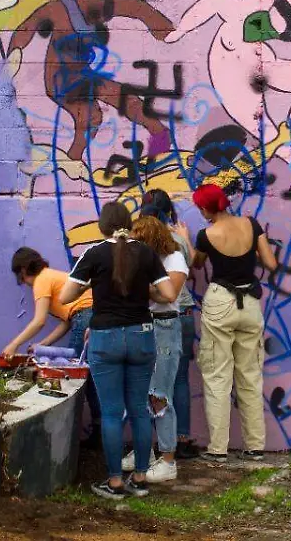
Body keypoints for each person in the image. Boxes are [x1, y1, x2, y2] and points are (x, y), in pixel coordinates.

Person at [61, 202, 177, 499]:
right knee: (140, 409)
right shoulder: (146, 253)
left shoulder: (94, 254)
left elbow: (65, 296)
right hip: (142, 336)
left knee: (112, 412)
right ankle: (139, 478)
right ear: (129, 222)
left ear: (103, 227)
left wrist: (94, 285)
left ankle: (114, 482)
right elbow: (168, 294)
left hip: (106, 338)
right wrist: (142, 290)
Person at [189, 183, 278, 463]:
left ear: (206, 208)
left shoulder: (206, 234)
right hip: (250, 302)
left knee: (217, 377)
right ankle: (255, 447)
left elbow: (198, 264)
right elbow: (271, 264)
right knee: (250, 376)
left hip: (220, 302)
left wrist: (185, 240)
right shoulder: (251, 224)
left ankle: (218, 449)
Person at [119, 216, 190, 483]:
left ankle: (168, 459)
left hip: (164, 327)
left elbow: (167, 295)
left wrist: (142, 287)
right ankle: (144, 452)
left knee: (159, 394)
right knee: (139, 393)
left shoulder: (174, 260)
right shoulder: (141, 260)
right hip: (142, 325)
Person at [140, 188, 202, 460]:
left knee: (152, 383)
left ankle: (157, 443)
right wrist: (188, 239)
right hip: (182, 312)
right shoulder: (176, 239)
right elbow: (192, 265)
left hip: (153, 315)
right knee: (178, 380)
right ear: (169, 211)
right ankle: (182, 437)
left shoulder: (140, 237)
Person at [5, 247, 95, 359]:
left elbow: (39, 321)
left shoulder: (41, 280)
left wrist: (14, 345)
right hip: (94, 315)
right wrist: (42, 345)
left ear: (23, 271)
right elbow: (67, 323)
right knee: (85, 364)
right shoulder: (49, 275)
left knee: (74, 367)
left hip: (85, 316)